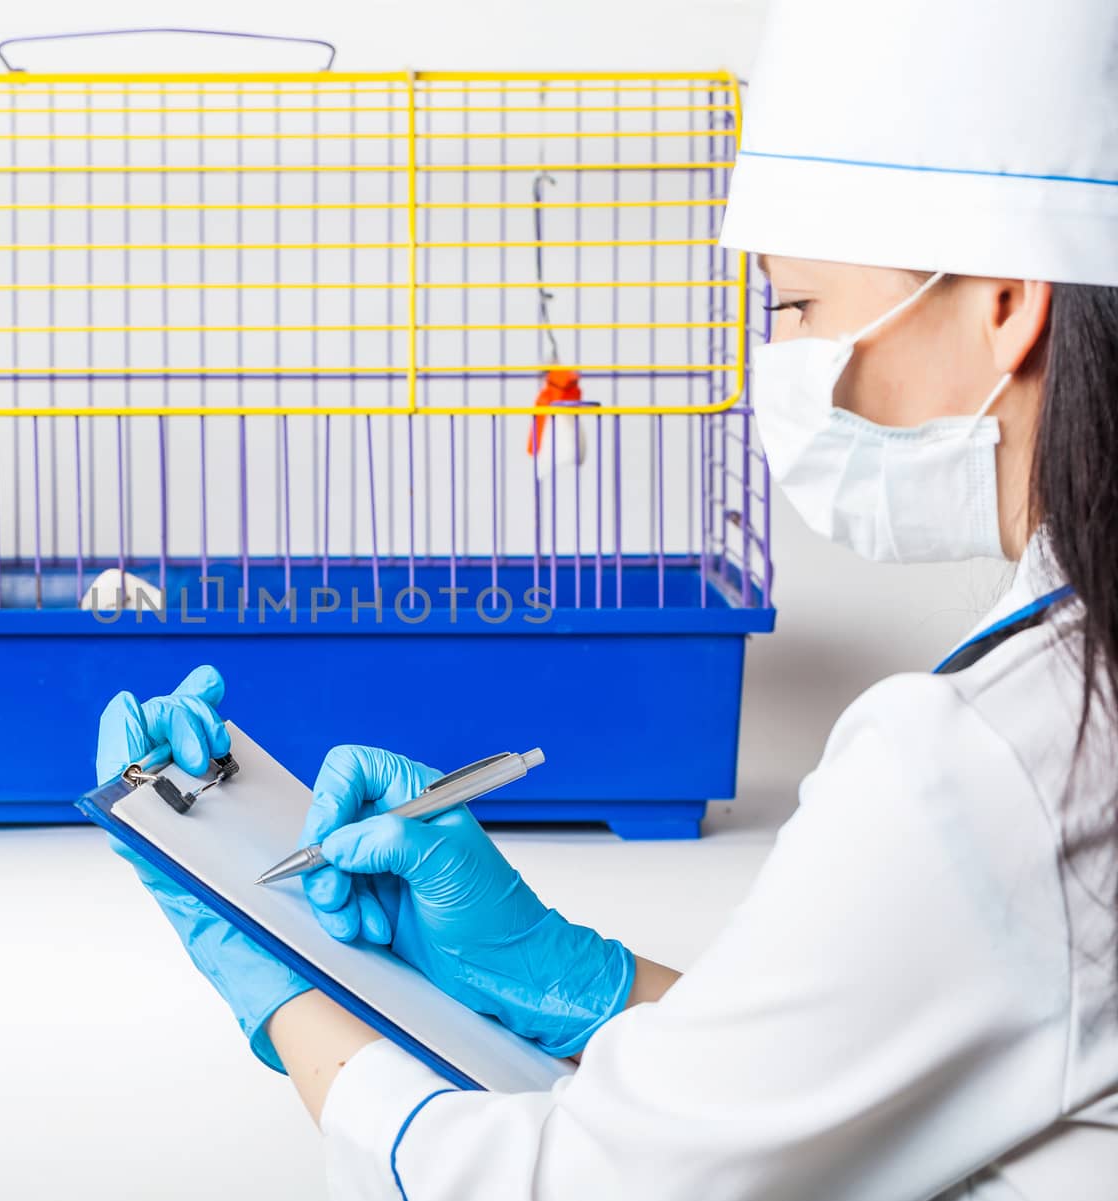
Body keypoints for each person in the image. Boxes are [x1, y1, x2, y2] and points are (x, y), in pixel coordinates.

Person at [93, 1, 1118, 1195]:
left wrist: (287, 992)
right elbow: (848, 1070)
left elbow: (565, 1185)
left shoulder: (981, 763)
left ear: (1004, 301)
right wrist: (573, 978)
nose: (783, 366)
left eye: (798, 309)